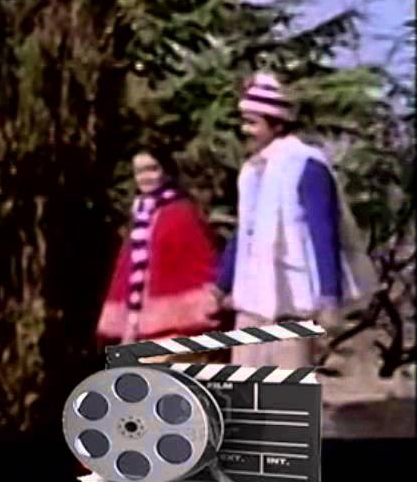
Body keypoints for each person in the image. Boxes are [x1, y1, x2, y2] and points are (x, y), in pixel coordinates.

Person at [213, 72, 379, 367]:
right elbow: (246, 228)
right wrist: (222, 283)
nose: (245, 130)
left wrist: (329, 297)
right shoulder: (253, 168)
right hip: (252, 298)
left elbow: (323, 232)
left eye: (253, 123)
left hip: (293, 299)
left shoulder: (305, 164)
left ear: (277, 124)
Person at [97, 147, 225, 363]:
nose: (145, 177)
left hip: (178, 328)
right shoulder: (140, 215)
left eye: (152, 169)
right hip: (142, 329)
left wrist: (202, 305)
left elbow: (200, 262)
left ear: (166, 172)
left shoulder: (181, 212)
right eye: (139, 172)